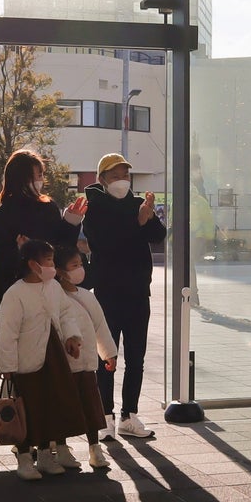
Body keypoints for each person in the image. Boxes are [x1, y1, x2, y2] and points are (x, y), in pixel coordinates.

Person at [80, 152, 165, 440]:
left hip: (138, 292)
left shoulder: (137, 204)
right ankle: (105, 417)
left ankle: (130, 415)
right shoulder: (94, 207)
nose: (121, 181)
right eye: (115, 176)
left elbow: (158, 235)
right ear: (101, 179)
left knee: (137, 358)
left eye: (125, 175)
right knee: (107, 357)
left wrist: (147, 218)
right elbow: (106, 242)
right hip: (108, 292)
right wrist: (138, 224)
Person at [0, 238, 89, 480]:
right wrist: (7, 367)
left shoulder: (53, 287)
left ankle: (47, 455)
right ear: (33, 264)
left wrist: (72, 337)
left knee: (52, 404)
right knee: (28, 408)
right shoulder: (15, 294)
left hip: (54, 355)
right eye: (48, 260)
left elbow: (66, 312)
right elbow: (7, 333)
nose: (52, 264)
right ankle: (25, 459)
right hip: (26, 361)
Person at [0, 148, 85, 313]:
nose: (39, 180)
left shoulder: (49, 207)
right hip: (14, 293)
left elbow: (62, 248)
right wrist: (21, 251)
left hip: (49, 289)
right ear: (18, 179)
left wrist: (71, 222)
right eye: (35, 176)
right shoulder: (1, 215)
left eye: (40, 175)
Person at [55, 244, 115, 471]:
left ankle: (95, 449)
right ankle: (61, 449)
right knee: (63, 407)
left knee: (91, 407)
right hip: (63, 365)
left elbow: (101, 326)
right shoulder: (54, 297)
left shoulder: (87, 297)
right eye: (74, 266)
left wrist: (108, 353)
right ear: (60, 271)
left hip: (88, 362)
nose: (80, 269)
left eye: (81, 264)